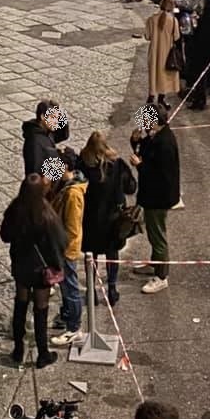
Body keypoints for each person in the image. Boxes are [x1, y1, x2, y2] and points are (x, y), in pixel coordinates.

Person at [0, 174, 68, 368]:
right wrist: (57, 265)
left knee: (20, 305)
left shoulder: (15, 209)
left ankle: (18, 350)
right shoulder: (47, 214)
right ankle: (42, 353)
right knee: (41, 309)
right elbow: (60, 243)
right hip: (41, 270)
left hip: (21, 266)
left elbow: (5, 235)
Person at [77, 132, 137, 309]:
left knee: (91, 256)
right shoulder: (117, 165)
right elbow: (131, 187)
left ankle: (92, 290)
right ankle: (112, 288)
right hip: (113, 219)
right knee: (112, 255)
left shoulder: (82, 165)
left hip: (90, 219)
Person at [130, 109, 180, 294]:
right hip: (152, 195)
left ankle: (161, 276)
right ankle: (155, 262)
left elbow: (160, 176)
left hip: (158, 197)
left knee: (157, 235)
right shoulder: (156, 135)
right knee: (153, 232)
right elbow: (143, 149)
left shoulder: (164, 142)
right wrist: (135, 141)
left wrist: (139, 165)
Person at [48, 149, 88, 346]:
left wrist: (64, 252)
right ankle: (67, 317)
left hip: (66, 250)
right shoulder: (66, 186)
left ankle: (74, 327)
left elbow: (72, 228)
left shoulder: (72, 193)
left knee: (70, 288)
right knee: (66, 288)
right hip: (61, 247)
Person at [145, 0, 181, 110]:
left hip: (154, 51)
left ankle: (151, 98)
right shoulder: (173, 21)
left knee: (154, 74)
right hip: (166, 53)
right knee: (164, 76)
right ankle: (161, 99)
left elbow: (147, 36)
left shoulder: (151, 19)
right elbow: (176, 37)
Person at [21, 99, 65, 176]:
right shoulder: (34, 142)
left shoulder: (47, 131)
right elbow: (35, 171)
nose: (56, 122)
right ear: (42, 117)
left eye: (58, 118)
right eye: (53, 117)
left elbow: (63, 135)